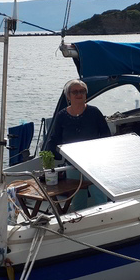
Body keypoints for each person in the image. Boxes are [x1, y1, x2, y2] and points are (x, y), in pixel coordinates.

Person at [45, 79, 110, 210]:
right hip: (72, 163)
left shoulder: (94, 112)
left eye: (82, 91)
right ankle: (80, 218)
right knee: (77, 196)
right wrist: (48, 161)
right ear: (68, 96)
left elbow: (106, 136)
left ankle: (104, 216)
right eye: (75, 92)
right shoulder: (62, 115)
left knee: (99, 194)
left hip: (94, 162)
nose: (79, 94)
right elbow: (55, 138)